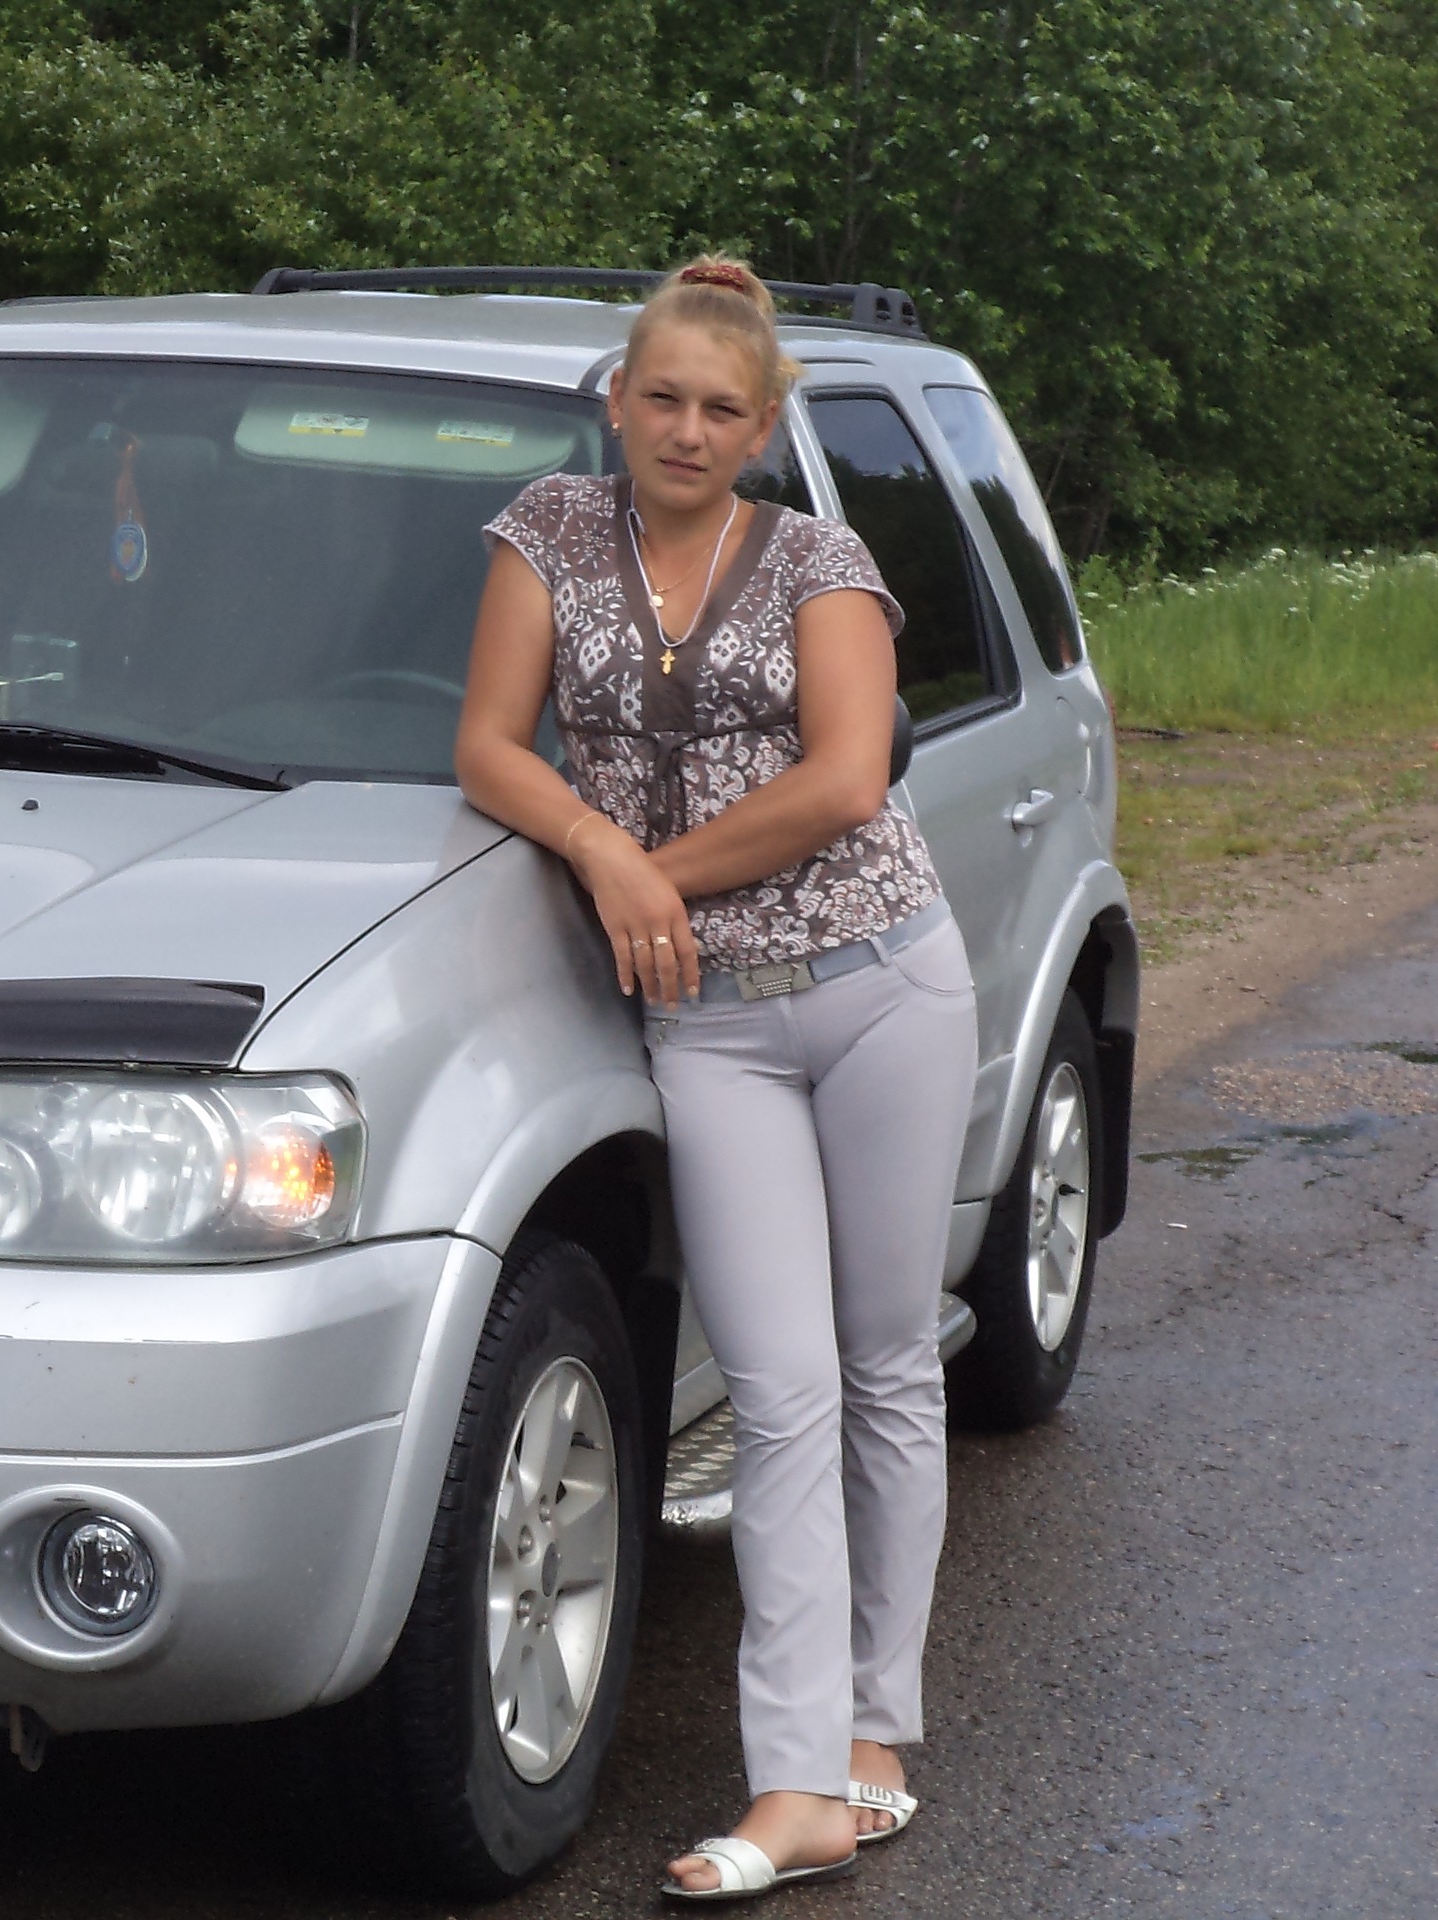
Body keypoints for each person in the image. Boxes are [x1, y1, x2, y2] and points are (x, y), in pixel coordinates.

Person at [454, 256, 980, 1902]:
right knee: (776, 1387)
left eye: (722, 409)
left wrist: (647, 877)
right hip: (715, 1025)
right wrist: (599, 844)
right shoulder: (549, 534)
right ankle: (798, 1783)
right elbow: (489, 746)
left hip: (883, 985)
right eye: (663, 398)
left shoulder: (823, 560)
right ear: (618, 400)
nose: (688, 429)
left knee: (886, 1362)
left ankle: (875, 1726)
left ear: (763, 428)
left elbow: (843, 781)